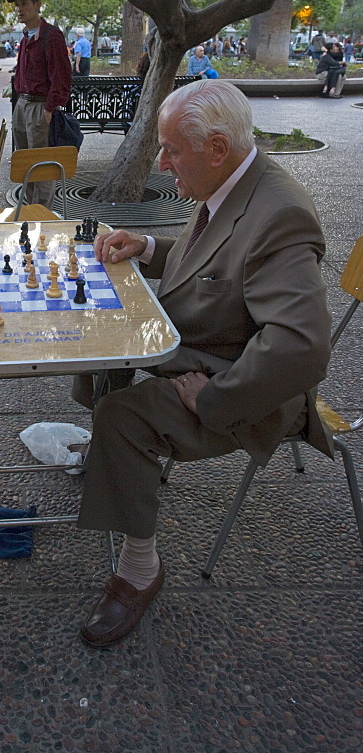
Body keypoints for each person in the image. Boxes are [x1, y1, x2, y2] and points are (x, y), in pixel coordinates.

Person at [75, 78, 332, 647]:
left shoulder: (280, 213)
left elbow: (300, 345)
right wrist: (147, 247)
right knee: (102, 331)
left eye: (171, 149)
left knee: (121, 414)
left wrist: (214, 400)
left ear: (217, 148)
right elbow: (212, 264)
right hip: (207, 348)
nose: (163, 163)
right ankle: (108, 464)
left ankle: (140, 570)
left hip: (249, 390)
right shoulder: (231, 183)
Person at [7, 0, 72, 208]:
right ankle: (29, 213)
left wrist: (49, 108)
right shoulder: (27, 37)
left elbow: (62, 76)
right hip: (23, 105)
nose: (19, 9)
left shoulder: (51, 36)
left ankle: (43, 216)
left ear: (37, 5)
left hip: (39, 106)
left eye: (24, 4)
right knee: (26, 162)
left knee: (42, 165)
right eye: (17, 5)